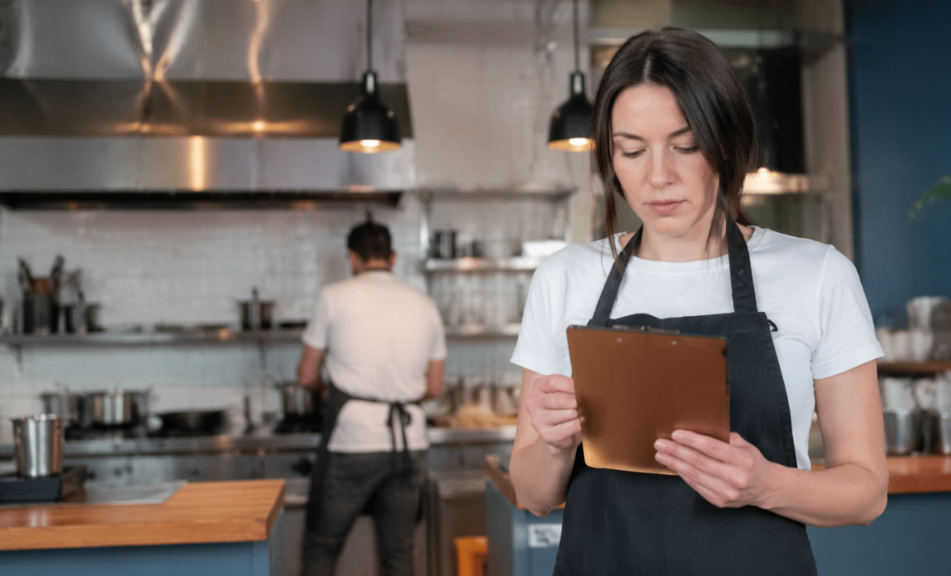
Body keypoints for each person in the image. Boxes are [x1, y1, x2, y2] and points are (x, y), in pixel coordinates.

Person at [509, 27, 888, 575]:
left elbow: (866, 492)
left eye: (685, 146)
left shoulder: (818, 275)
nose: (658, 177)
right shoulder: (565, 278)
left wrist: (763, 485)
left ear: (727, 142)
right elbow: (533, 495)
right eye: (631, 150)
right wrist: (553, 443)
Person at [297, 218, 446, 576]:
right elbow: (435, 387)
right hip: (409, 443)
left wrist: (328, 390)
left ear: (353, 258)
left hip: (353, 440)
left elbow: (305, 376)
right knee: (398, 553)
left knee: (321, 547)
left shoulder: (334, 296)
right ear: (392, 258)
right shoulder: (424, 304)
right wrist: (398, 394)